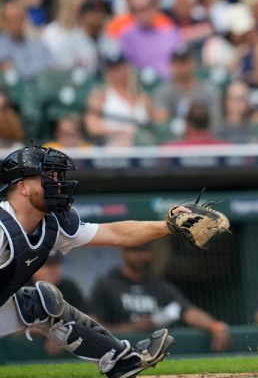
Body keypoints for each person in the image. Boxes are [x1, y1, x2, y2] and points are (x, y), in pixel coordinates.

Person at [0, 146, 178, 378]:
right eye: (47, 177)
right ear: (22, 187)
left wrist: (168, 226)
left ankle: (121, 361)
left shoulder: (52, 226)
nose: (57, 183)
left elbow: (117, 234)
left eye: (57, 176)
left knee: (41, 303)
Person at [90, 244, 231, 352]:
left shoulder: (158, 285)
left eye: (144, 251)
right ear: (123, 252)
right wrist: (131, 327)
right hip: (119, 349)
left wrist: (215, 326)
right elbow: (93, 327)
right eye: (135, 251)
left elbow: (188, 311)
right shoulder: (106, 284)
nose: (141, 256)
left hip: (154, 351)